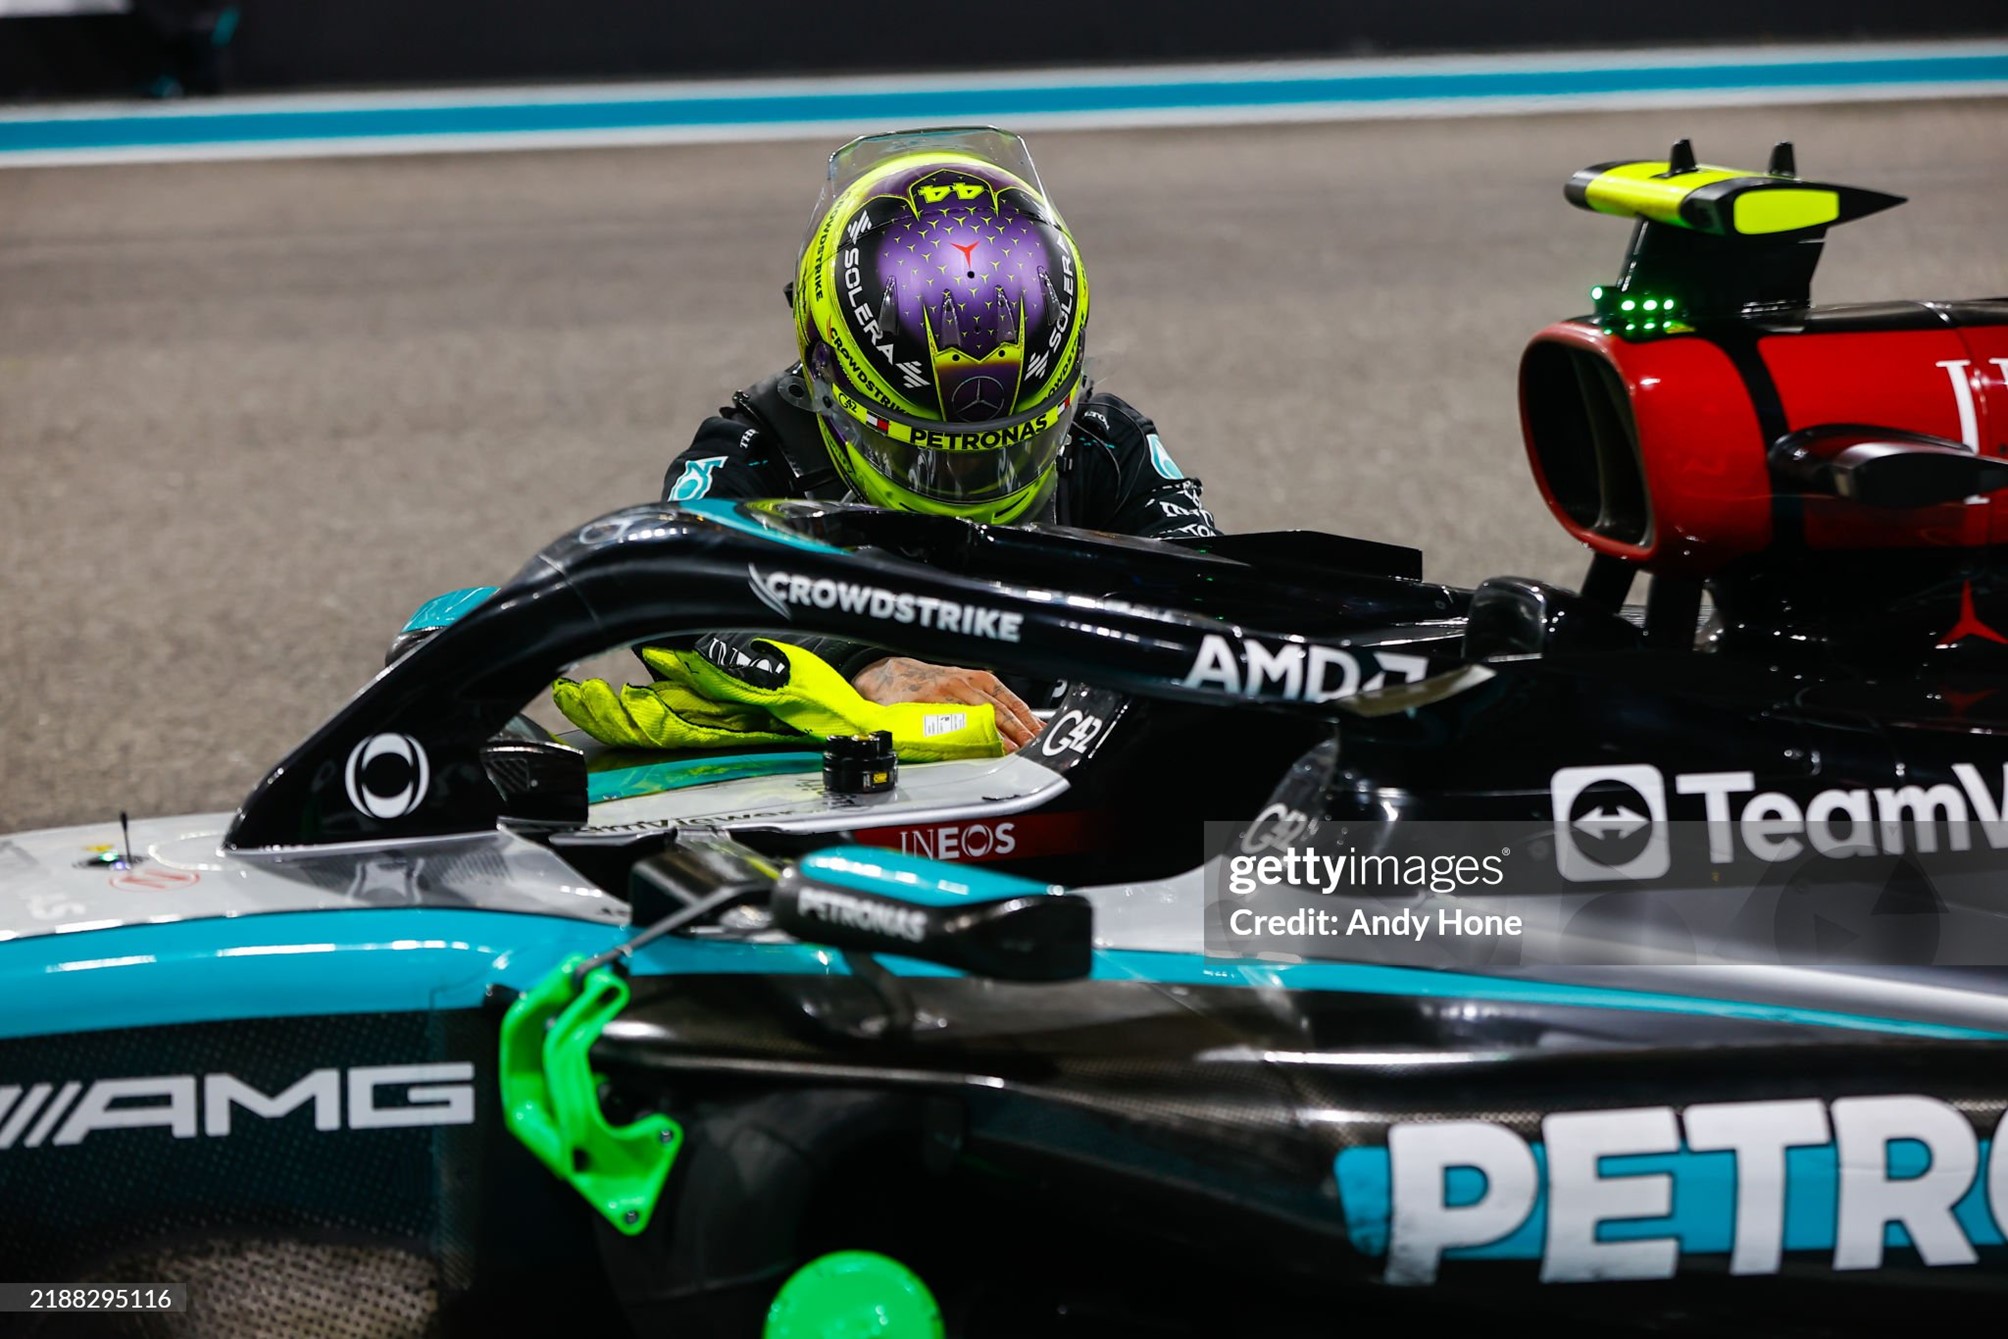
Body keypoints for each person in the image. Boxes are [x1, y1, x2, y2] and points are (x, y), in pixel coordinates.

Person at [661, 127, 1217, 751]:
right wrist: (863, 664)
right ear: (828, 375)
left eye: (1006, 451)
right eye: (927, 451)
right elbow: (671, 605)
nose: (965, 486)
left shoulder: (1105, 445)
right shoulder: (752, 457)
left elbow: (1219, 601)